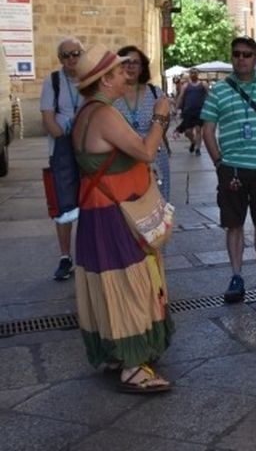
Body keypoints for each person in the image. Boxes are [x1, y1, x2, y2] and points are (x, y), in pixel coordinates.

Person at [71, 45, 173, 393]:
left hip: (96, 213)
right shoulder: (104, 114)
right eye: (117, 71)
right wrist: (160, 117)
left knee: (107, 285)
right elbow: (146, 151)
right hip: (115, 214)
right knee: (130, 283)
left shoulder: (86, 112)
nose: (124, 75)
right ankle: (133, 367)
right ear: (104, 80)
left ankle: (117, 353)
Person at [201, 36, 256, 303]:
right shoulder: (218, 90)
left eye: (247, 54)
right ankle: (236, 277)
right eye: (237, 54)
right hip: (233, 170)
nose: (241, 59)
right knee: (234, 225)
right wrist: (219, 163)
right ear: (232, 57)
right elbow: (208, 130)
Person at [40, 37, 84, 281]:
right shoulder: (53, 81)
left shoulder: (91, 78)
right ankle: (65, 257)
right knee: (63, 204)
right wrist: (63, 138)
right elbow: (47, 118)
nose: (71, 59)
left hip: (88, 147)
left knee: (90, 200)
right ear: (60, 59)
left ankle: (89, 253)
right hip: (62, 146)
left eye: (76, 53)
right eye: (66, 55)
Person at [113, 46, 171, 200]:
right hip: (125, 158)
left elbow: (165, 125)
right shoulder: (113, 95)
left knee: (158, 201)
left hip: (156, 156)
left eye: (135, 63)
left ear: (142, 67)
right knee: (130, 204)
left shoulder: (155, 92)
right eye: (126, 62)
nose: (131, 66)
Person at [175, 68, 208, 156]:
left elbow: (209, 96)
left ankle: (198, 149)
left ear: (198, 74)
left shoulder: (203, 84)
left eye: (195, 73)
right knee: (188, 132)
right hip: (188, 112)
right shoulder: (186, 85)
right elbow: (181, 97)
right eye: (192, 73)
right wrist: (176, 108)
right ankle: (193, 142)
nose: (193, 74)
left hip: (200, 111)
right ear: (189, 74)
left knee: (198, 130)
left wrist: (210, 107)